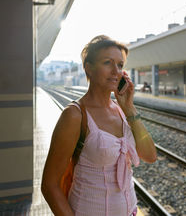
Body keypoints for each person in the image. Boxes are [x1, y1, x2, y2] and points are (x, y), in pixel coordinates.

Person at [41, 35, 157, 216]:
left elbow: (150, 156)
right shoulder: (74, 115)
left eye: (120, 65)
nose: (116, 71)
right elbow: (49, 185)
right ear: (89, 68)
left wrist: (130, 108)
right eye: (107, 63)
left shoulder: (122, 111)